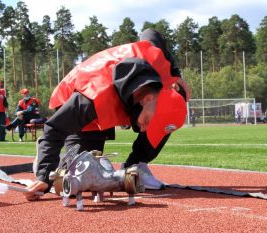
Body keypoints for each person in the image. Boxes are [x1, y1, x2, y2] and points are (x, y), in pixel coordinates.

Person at [24, 29, 190, 200]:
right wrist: (43, 177)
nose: (145, 128)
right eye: (148, 120)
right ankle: (49, 162)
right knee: (78, 178)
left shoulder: (159, 67)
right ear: (147, 98)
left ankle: (136, 165)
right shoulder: (91, 99)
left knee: (165, 120)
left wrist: (176, 75)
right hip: (74, 92)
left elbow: (150, 34)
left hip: (121, 92)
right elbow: (53, 129)